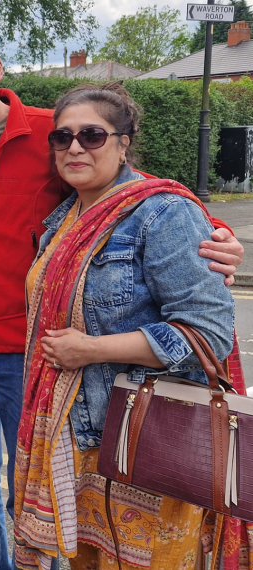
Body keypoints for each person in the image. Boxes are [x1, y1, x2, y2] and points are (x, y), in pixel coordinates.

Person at [0, 22, 245, 570]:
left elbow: (147, 198)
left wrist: (217, 233)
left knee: (40, 501)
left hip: (43, 367)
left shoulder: (51, 129)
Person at [13, 82, 236, 569]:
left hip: (147, 442)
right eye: (62, 137)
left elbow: (210, 332)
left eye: (92, 135)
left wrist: (91, 348)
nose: (74, 146)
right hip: (83, 442)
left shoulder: (164, 213)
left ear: (123, 141)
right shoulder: (65, 217)